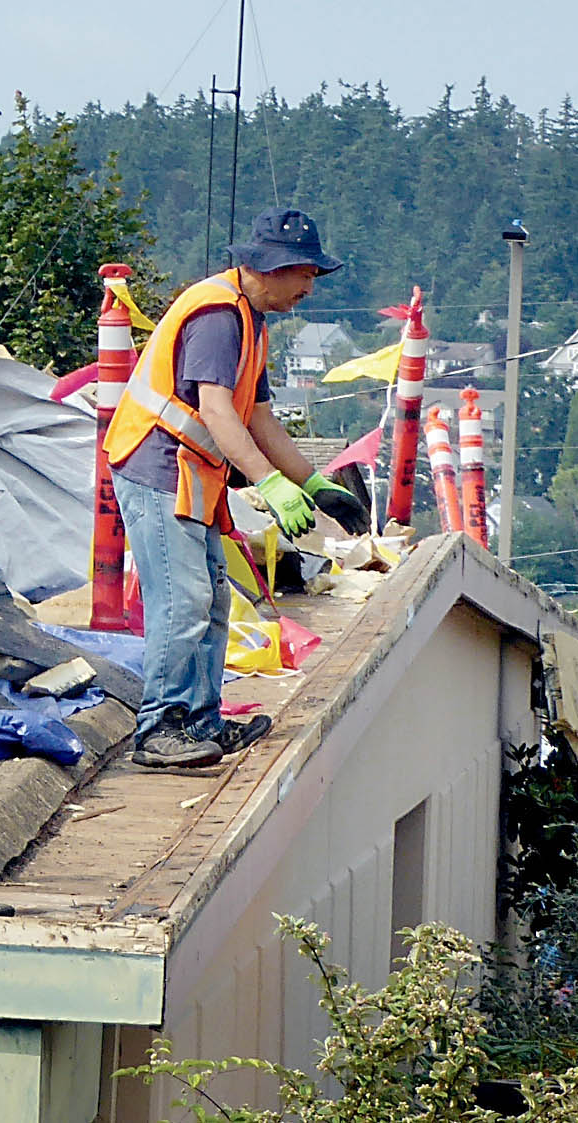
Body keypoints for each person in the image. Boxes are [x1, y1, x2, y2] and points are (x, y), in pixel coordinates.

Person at [104, 207, 371, 771]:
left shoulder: (251, 321)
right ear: (274, 267)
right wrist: (270, 483)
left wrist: (314, 483)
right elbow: (219, 412)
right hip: (157, 469)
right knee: (183, 604)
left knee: (213, 600)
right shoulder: (220, 316)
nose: (309, 289)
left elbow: (262, 419)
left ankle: (199, 723)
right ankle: (160, 730)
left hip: (188, 474)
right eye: (306, 276)